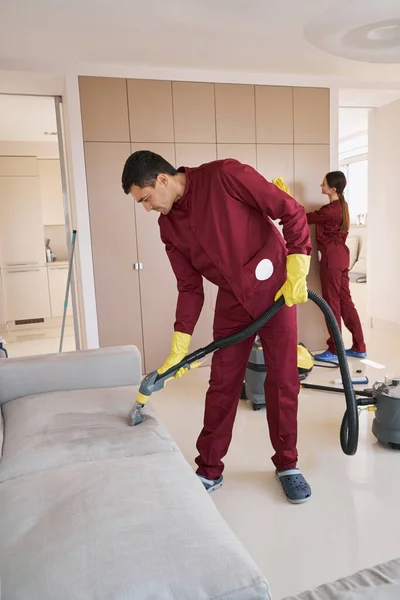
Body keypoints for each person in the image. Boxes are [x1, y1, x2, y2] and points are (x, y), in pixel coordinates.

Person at [122, 151, 313, 504]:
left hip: (277, 292)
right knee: (222, 383)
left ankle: (288, 465)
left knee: (283, 380)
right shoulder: (169, 227)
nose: (146, 208)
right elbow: (190, 287)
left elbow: (291, 211)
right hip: (233, 300)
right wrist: (180, 341)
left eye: (145, 199)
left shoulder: (224, 175)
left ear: (162, 180)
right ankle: (209, 469)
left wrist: (298, 260)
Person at [306, 171, 366, 362]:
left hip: (332, 260)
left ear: (333, 189)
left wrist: (287, 202)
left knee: (332, 304)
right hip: (342, 258)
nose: (321, 187)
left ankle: (334, 349)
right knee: (346, 303)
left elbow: (307, 217)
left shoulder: (330, 210)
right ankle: (359, 346)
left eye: (324, 184)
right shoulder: (343, 206)